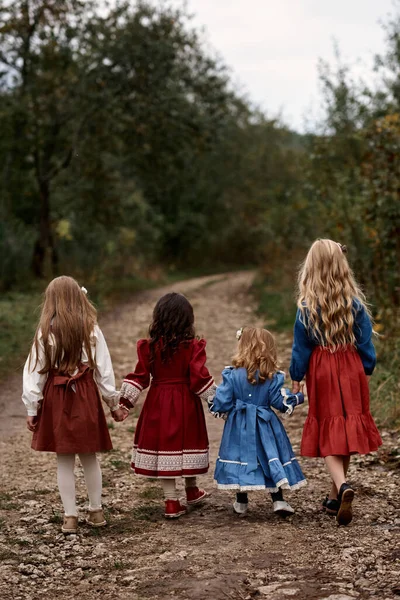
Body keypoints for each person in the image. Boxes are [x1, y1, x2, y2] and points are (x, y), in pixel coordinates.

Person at [22, 276, 125, 534]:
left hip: (57, 398)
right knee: (89, 455)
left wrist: (32, 408)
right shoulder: (91, 328)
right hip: (86, 396)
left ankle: (70, 516)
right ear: (79, 297)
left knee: (64, 459)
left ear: (52, 300)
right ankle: (96, 510)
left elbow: (34, 373)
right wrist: (113, 402)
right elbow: (104, 370)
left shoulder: (45, 331)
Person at [290, 239, 382, 526]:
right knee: (345, 425)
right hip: (351, 365)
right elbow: (366, 342)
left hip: (322, 369)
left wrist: (296, 376)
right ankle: (333, 499)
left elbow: (300, 348)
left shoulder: (307, 305)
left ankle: (341, 487)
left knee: (329, 428)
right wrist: (366, 367)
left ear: (311, 267)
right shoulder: (353, 303)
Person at [119, 292, 215, 519]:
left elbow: (140, 377)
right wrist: (216, 401)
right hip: (186, 402)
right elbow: (199, 379)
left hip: (159, 402)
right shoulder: (192, 347)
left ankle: (172, 501)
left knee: (166, 448)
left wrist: (125, 403)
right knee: (187, 444)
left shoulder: (149, 347)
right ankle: (191, 490)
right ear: (187, 320)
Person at [210, 327, 306, 517]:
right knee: (270, 455)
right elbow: (279, 402)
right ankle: (278, 500)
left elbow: (222, 401)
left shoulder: (232, 374)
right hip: (266, 426)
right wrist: (299, 397)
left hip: (238, 425)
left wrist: (213, 398)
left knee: (239, 456)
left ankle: (241, 501)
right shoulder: (272, 376)